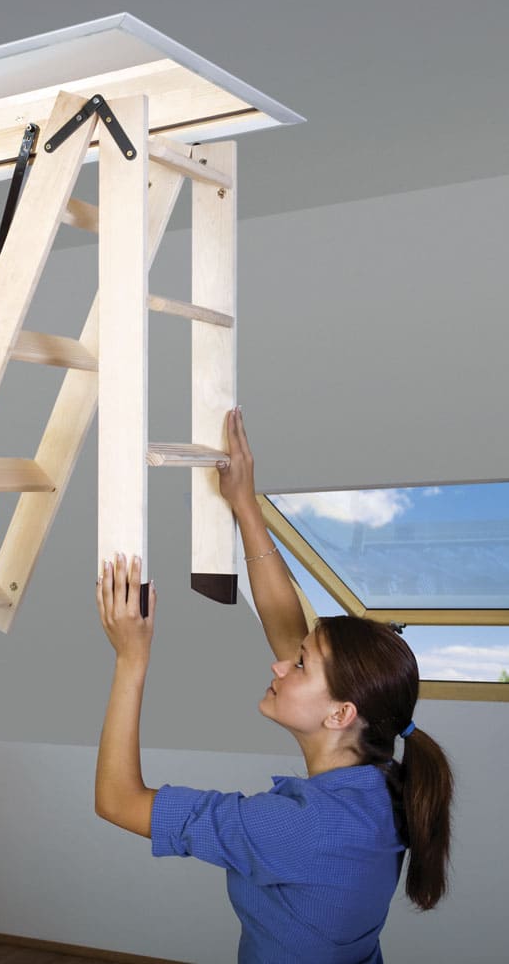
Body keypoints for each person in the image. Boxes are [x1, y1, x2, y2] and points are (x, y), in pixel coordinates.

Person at [94, 407, 453, 963]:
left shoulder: (294, 828)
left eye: (300, 667)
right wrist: (244, 503)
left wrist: (130, 658)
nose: (280, 666)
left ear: (341, 714)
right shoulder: (377, 787)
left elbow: (118, 801)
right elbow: (288, 630)